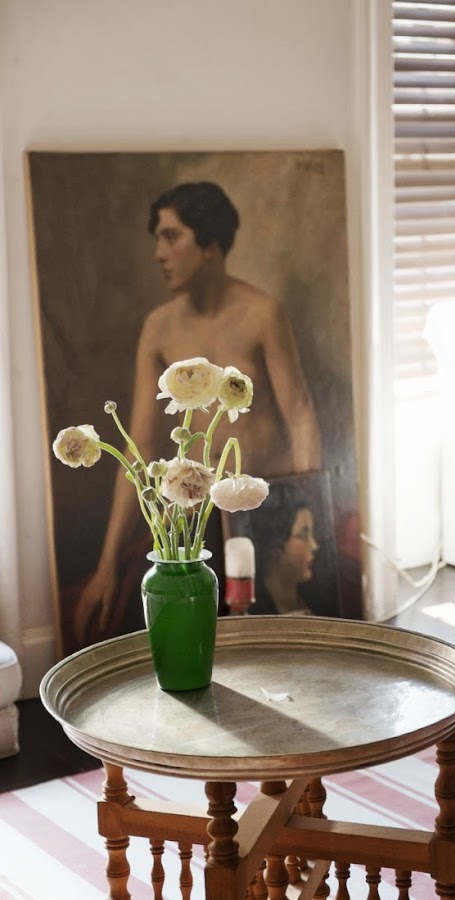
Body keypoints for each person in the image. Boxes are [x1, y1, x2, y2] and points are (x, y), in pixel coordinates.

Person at [74, 181, 321, 643]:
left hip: (264, 513)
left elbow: (301, 415)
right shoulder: (158, 328)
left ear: (209, 245)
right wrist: (106, 565)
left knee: (276, 641)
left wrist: (303, 509)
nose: (159, 254)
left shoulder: (263, 314)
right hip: (193, 519)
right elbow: (139, 445)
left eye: (171, 237)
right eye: (157, 239)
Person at [248, 486, 320, 615]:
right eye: (303, 535)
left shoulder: (316, 600)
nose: (314, 546)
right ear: (275, 546)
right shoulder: (255, 612)